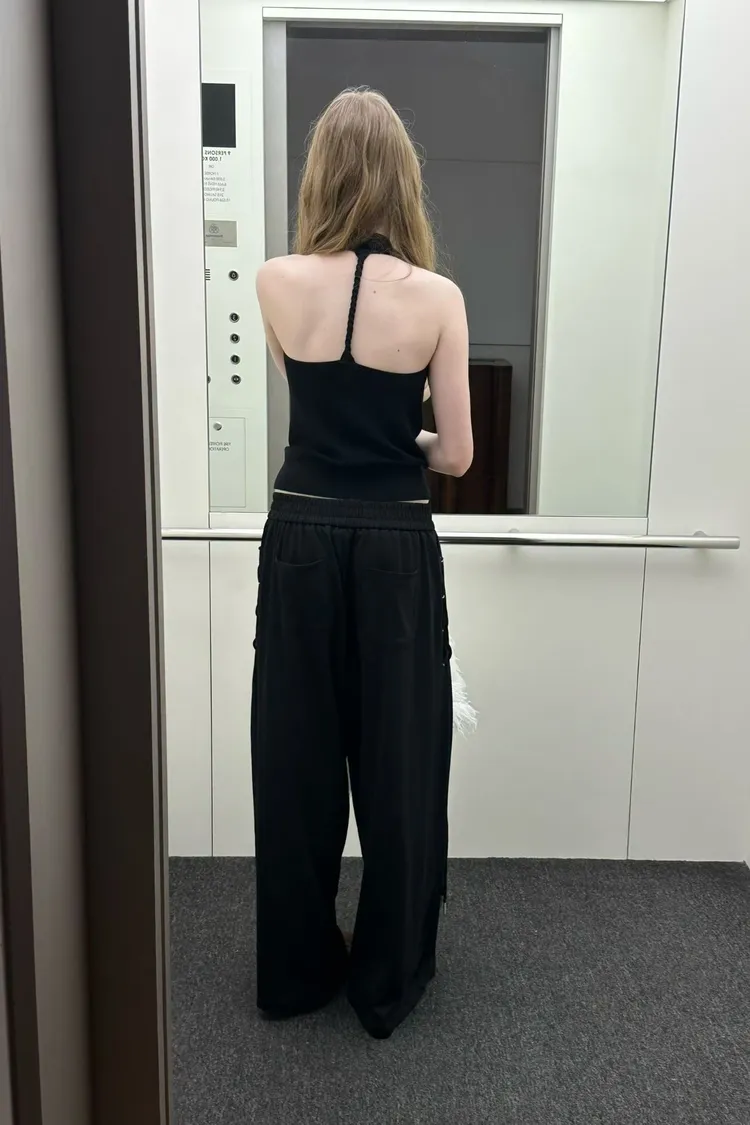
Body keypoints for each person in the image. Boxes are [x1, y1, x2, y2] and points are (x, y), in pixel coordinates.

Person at [252, 87, 473, 1040]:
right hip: (394, 542)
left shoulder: (273, 281)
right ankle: (386, 978)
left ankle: (296, 969)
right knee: (399, 757)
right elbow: (456, 452)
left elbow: (311, 410)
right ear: (402, 179)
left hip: (300, 534)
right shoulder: (437, 298)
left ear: (320, 175)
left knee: (296, 753)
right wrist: (402, 438)